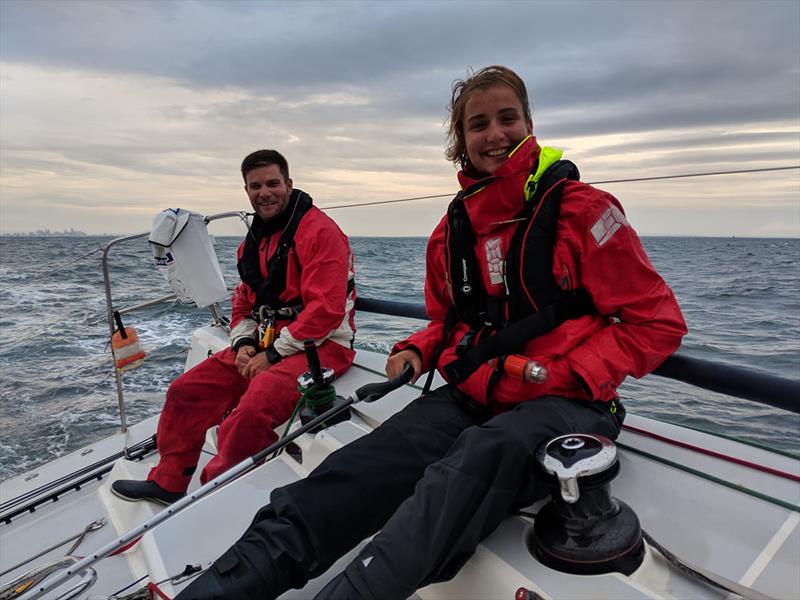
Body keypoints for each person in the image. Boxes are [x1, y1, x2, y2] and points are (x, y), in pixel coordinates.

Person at [176, 66, 687, 599]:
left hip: (566, 404)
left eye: (507, 118)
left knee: (460, 474)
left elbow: (657, 323)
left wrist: (568, 373)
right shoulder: (451, 231)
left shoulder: (585, 212)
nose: (494, 134)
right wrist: (417, 349)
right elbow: (448, 321)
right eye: (478, 124)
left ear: (529, 124)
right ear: (460, 142)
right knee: (356, 470)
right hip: (472, 397)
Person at [111, 149, 357, 505]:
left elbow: (326, 311)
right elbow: (243, 302)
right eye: (255, 186)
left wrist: (271, 354)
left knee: (253, 408)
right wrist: (244, 344)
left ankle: (217, 497)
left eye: (273, 183)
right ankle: (168, 483)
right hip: (269, 339)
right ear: (246, 191)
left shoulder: (321, 233)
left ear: (289, 184)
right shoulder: (252, 243)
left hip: (322, 346)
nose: (264, 192)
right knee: (186, 390)